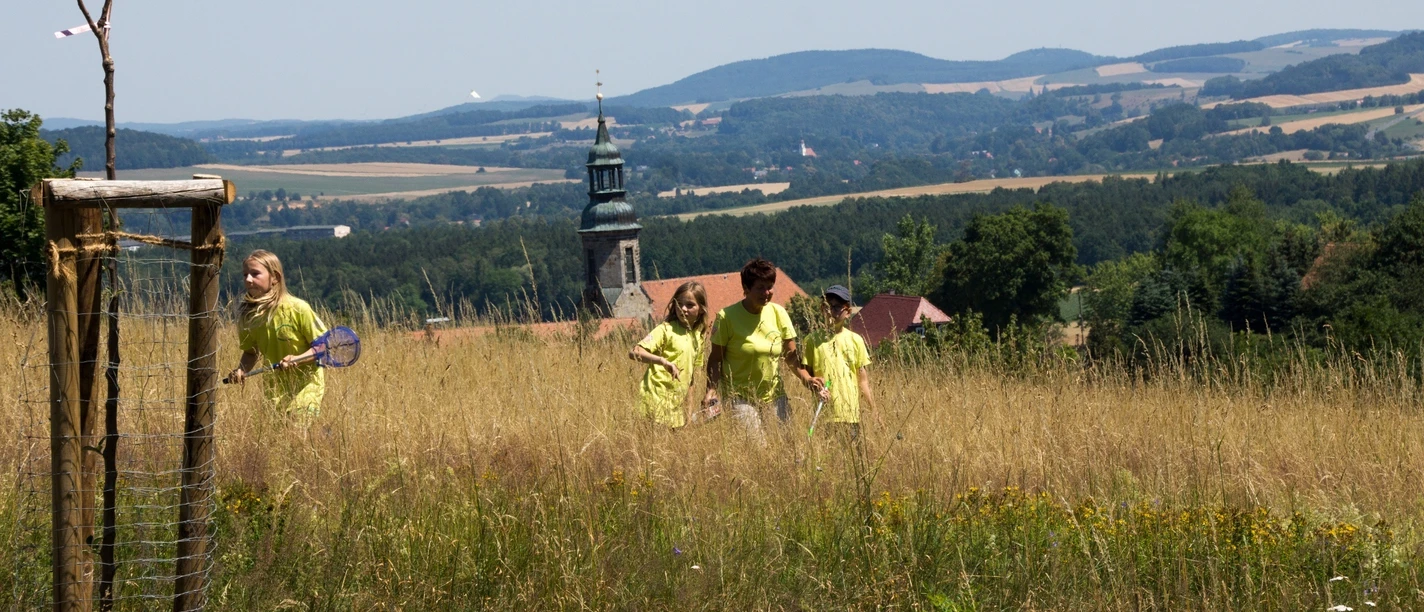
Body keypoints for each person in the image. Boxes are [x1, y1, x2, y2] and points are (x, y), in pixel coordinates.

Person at [702, 258, 817, 443]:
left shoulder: (779, 313)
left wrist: (808, 379)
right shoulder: (727, 317)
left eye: (770, 287)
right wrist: (711, 390)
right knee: (757, 450)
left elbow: (791, 358)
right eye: (760, 288)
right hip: (740, 397)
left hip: (774, 395)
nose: (766, 293)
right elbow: (716, 359)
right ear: (746, 288)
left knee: (785, 446)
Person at [226, 250, 328, 417]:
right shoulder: (248, 316)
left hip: (306, 389)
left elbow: (323, 345)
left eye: (255, 274)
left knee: (296, 425)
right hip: (274, 392)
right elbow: (251, 352)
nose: (248, 279)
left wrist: (298, 359)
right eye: (245, 275)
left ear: (275, 278)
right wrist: (241, 370)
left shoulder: (298, 308)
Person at [628, 281, 709, 428]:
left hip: (676, 408)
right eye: (679, 304)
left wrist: (688, 413)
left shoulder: (698, 337)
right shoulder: (665, 330)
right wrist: (662, 361)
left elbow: (691, 379)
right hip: (655, 400)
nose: (683, 309)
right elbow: (635, 352)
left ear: (701, 309)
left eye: (690, 305)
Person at [800, 285, 876, 441]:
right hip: (825, 413)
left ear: (847, 312)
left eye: (837, 307)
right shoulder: (811, 340)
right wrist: (815, 387)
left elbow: (862, 381)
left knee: (852, 452)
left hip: (851, 414)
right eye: (827, 306)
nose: (831, 311)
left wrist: (874, 410)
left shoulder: (856, 340)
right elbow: (805, 375)